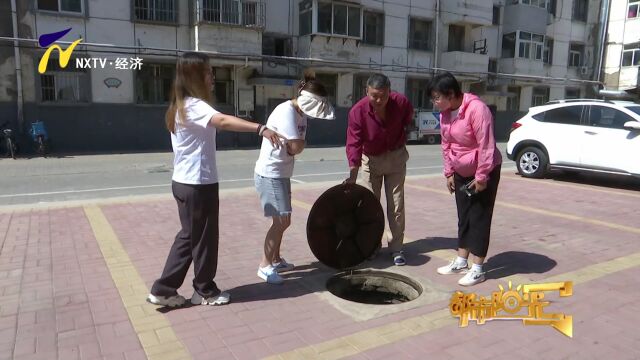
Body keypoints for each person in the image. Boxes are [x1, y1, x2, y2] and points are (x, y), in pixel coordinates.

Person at [146, 52, 282, 307]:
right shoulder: (194, 105)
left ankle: (164, 289)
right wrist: (260, 128)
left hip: (185, 182)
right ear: (194, 76)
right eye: (208, 72)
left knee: (190, 236)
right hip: (198, 184)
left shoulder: (180, 105)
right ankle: (204, 291)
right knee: (204, 239)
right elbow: (221, 121)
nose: (212, 77)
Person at [254, 72, 335, 284]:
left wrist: (296, 146)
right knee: (281, 221)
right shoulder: (286, 112)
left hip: (281, 172)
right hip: (270, 173)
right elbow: (297, 146)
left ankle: (276, 258)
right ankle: (264, 265)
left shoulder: (300, 113)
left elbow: (295, 146)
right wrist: (297, 146)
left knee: (284, 220)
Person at [428, 72, 502, 286]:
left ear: (451, 94)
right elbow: (446, 144)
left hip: (483, 171)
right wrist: (449, 172)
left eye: (436, 98)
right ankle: (461, 260)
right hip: (461, 171)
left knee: (480, 217)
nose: (435, 103)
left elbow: (486, 145)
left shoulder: (477, 110)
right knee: (464, 216)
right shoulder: (446, 113)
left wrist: (482, 176)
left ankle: (478, 268)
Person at [344, 73, 414, 266]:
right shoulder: (357, 112)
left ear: (390, 92)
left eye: (383, 95)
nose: (378, 100)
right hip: (370, 160)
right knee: (369, 206)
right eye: (374, 95)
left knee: (396, 204)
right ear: (367, 91)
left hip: (396, 158)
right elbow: (354, 143)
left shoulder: (401, 102)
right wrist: (353, 172)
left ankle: (397, 248)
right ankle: (372, 246)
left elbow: (408, 118)